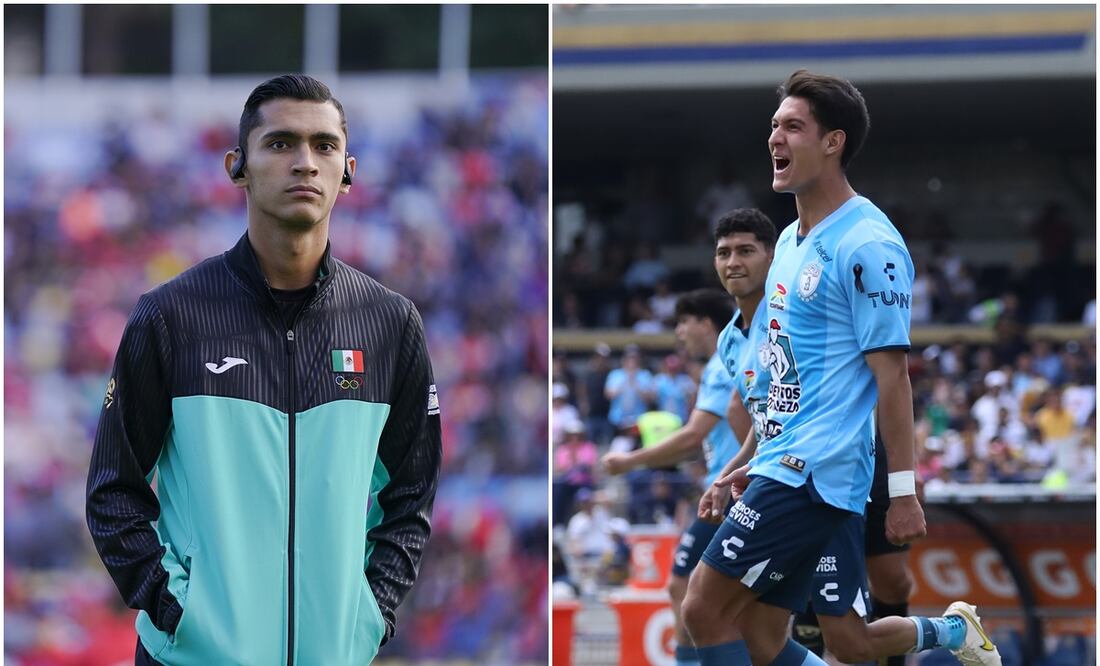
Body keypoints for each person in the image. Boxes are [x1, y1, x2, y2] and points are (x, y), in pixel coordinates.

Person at [85, 75, 442, 666]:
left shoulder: (390, 323)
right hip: (192, 658)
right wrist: (181, 612)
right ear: (237, 166)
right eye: (280, 143)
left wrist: (367, 616)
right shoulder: (170, 316)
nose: (305, 162)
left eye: (323, 146)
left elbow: (412, 498)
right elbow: (112, 491)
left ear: (348, 170)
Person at [680, 70, 1000, 666]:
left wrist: (902, 493)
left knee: (703, 609)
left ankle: (948, 634)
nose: (776, 138)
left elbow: (893, 376)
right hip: (785, 464)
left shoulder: (868, 244)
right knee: (773, 640)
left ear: (834, 142)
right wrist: (746, 463)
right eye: (774, 126)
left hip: (818, 473)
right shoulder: (794, 245)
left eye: (793, 126)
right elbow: (786, 386)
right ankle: (952, 635)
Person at [603, 208, 776, 666]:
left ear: (704, 322)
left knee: (686, 590)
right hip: (736, 485)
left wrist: (629, 462)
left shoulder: (729, 361)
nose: (679, 333)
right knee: (745, 617)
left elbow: (705, 429)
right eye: (723, 253)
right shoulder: (731, 347)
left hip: (747, 491)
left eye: (684, 323)